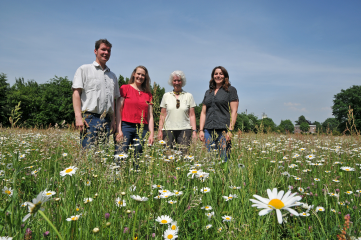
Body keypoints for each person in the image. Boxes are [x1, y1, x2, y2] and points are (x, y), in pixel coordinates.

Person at [72, 39, 120, 149]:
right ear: (95, 51)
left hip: (107, 121)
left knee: (101, 157)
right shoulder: (84, 69)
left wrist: (113, 120)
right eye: (103, 49)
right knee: (87, 156)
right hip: (89, 119)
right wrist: (78, 117)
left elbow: (113, 100)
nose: (106, 53)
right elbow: (76, 93)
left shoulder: (112, 76)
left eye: (108, 51)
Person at [199, 66, 239, 162]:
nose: (218, 76)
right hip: (208, 130)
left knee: (224, 158)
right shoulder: (208, 92)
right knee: (210, 158)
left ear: (225, 76)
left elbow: (234, 112)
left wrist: (230, 130)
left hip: (223, 130)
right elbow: (203, 112)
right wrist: (201, 130)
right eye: (216, 74)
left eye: (221, 74)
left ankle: (225, 177)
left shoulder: (230, 90)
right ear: (213, 76)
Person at [115, 66, 154, 155]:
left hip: (142, 128)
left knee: (137, 156)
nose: (140, 77)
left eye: (143, 75)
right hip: (126, 126)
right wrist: (119, 130)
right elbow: (118, 110)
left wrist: (151, 134)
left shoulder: (148, 94)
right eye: (138, 74)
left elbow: (150, 116)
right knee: (120, 152)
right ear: (134, 74)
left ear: (145, 77)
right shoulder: (125, 88)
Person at [157, 71, 197, 152]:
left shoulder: (188, 96)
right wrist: (160, 130)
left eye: (179, 80)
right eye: (175, 80)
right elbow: (162, 115)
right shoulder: (166, 96)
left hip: (185, 129)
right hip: (168, 129)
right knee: (167, 154)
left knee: (184, 155)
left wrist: (194, 131)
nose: (177, 83)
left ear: (182, 82)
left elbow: (192, 115)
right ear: (172, 82)